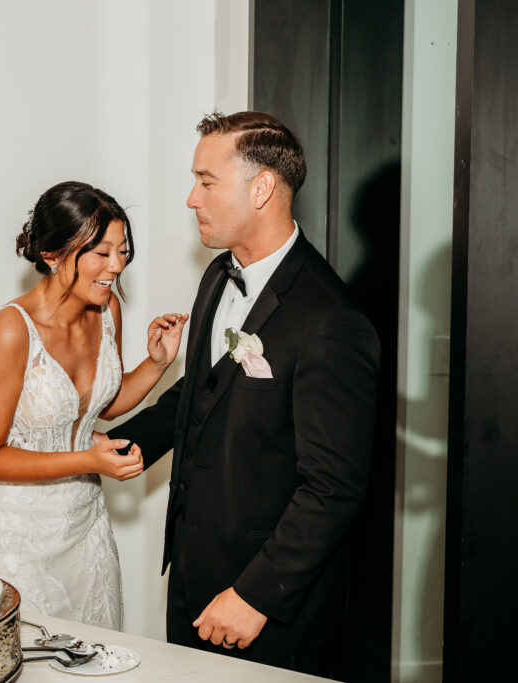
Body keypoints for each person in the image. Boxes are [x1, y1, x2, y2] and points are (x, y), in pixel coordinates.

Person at [107, 112, 380, 675]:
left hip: (267, 605)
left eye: (206, 182)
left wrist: (256, 595)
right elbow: (203, 391)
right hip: (190, 575)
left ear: (261, 189)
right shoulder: (217, 275)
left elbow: (333, 489)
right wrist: (107, 447)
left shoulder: (332, 321)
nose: (191, 199)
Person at [0, 181, 188, 629]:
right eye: (102, 253)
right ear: (52, 254)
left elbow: (102, 404)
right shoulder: (8, 332)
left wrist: (158, 362)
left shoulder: (106, 312)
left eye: (123, 251)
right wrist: (86, 458)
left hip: (86, 533)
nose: (117, 266)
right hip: (16, 538)